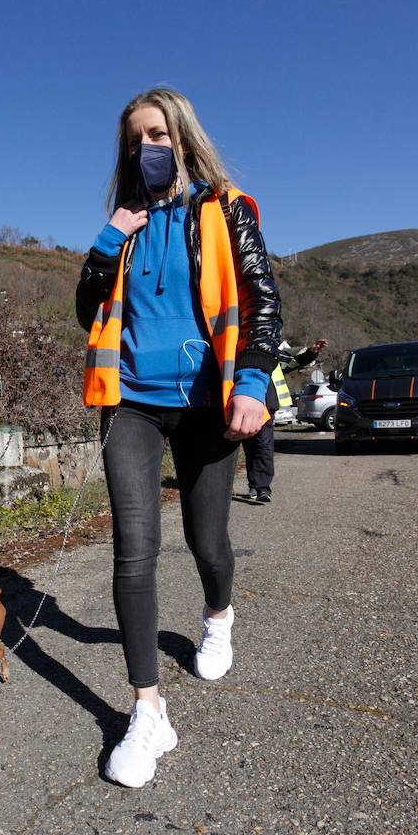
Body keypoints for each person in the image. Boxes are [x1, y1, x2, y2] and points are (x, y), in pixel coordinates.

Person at [75, 88, 283, 788]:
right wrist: (110, 235)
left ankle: (218, 614)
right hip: (130, 402)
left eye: (156, 133)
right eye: (134, 139)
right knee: (134, 550)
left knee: (207, 542)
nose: (145, 148)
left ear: (184, 139)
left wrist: (251, 385)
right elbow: (85, 309)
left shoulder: (226, 207)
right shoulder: (124, 224)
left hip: (204, 404)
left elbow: (260, 301)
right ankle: (148, 710)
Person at [238, 338, 326, 504]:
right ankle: (254, 484)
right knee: (249, 446)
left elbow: (292, 363)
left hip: (266, 405)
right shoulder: (238, 349)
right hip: (244, 403)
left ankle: (262, 487)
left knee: (263, 445)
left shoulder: (269, 351)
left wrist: (311, 352)